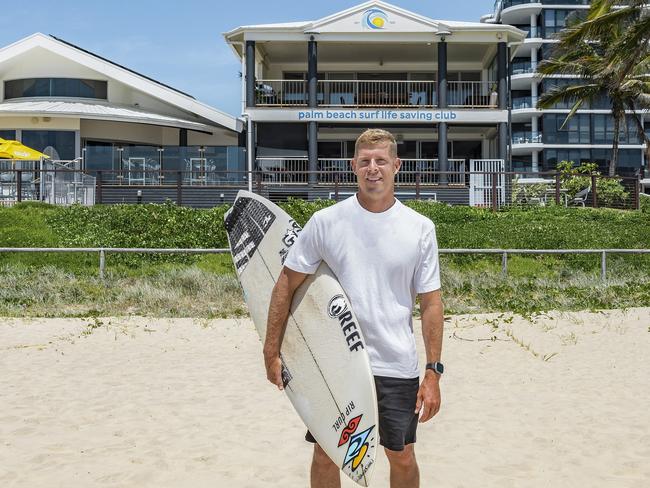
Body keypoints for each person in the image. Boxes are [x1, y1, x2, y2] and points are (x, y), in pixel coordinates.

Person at [263, 128, 444, 488]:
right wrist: (271, 351)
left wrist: (433, 372)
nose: (372, 168)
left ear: (397, 165)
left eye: (380, 161)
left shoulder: (420, 228)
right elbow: (286, 282)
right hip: (337, 363)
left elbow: (431, 304)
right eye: (365, 161)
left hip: (396, 363)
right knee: (328, 453)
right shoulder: (326, 222)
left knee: (402, 454)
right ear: (353, 166)